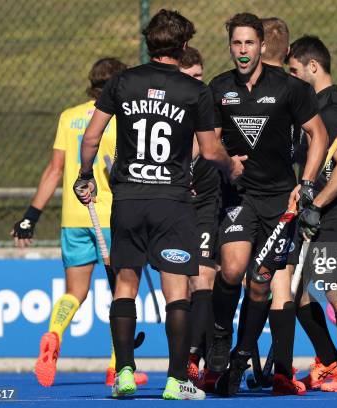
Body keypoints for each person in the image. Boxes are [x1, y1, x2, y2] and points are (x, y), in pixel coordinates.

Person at [74, 9, 245, 400]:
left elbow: (91, 138)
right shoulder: (195, 92)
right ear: (183, 47)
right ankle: (175, 379)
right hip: (172, 201)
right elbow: (210, 149)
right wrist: (231, 167)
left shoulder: (121, 81)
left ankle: (124, 374)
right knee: (176, 290)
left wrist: (85, 175)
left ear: (149, 43)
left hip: (129, 198)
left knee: (125, 285)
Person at [207, 12, 328, 397]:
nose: (242, 51)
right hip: (239, 198)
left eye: (249, 43)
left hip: (280, 201)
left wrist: (305, 185)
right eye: (236, 44)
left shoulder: (290, 88)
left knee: (260, 285)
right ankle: (221, 338)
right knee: (233, 268)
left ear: (261, 46)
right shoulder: (218, 88)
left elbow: (319, 135)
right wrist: (226, 164)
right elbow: (209, 142)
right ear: (231, 47)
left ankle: (241, 358)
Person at [10, 57, 149, 388]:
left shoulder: (69, 116)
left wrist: (31, 216)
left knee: (75, 291)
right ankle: (117, 368)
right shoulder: (121, 119)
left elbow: (55, 170)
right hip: (111, 216)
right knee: (123, 292)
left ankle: (54, 333)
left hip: (74, 217)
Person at [285, 35, 337, 392]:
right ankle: (332, 361)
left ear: (313, 67)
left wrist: (315, 205)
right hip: (320, 213)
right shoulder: (316, 105)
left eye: (295, 71)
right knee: (294, 291)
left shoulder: (330, 107)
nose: (292, 77)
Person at [178, 46, 221, 388]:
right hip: (175, 210)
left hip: (208, 205)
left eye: (198, 78)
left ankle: (196, 357)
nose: (195, 85)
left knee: (203, 278)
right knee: (183, 289)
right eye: (187, 78)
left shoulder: (209, 108)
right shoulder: (166, 115)